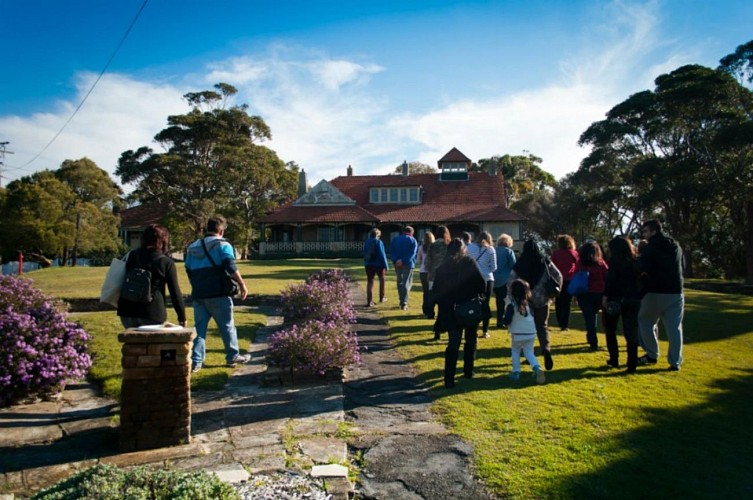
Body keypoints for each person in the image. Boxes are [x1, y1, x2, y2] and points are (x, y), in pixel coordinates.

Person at [185, 215, 249, 373]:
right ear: (221, 230)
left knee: (199, 330)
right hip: (218, 292)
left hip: (199, 294)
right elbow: (230, 266)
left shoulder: (192, 247)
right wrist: (242, 284)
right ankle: (232, 356)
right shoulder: (223, 245)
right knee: (227, 326)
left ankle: (196, 362)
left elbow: (188, 270)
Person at [432, 238, 487, 388]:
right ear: (464, 249)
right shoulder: (469, 262)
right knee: (471, 339)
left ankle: (449, 378)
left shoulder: (442, 267)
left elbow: (436, 291)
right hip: (469, 306)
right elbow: (482, 283)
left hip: (451, 309)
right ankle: (468, 371)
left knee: (453, 343)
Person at [117, 224, 187, 329]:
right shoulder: (166, 262)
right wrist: (182, 317)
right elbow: (175, 293)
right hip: (152, 312)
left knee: (133, 344)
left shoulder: (132, 255)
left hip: (127, 311)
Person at [637, 220, 685, 371]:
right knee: (674, 328)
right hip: (675, 291)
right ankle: (675, 361)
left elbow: (642, 268)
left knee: (645, 321)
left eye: (645, 231)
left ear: (653, 231)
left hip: (654, 290)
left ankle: (652, 354)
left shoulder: (650, 248)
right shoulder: (675, 245)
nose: (643, 234)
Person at [507, 239, 562, 371]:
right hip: (543, 299)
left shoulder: (521, 263)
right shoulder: (545, 261)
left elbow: (510, 280)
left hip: (526, 301)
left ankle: (528, 354)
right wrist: (552, 292)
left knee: (529, 328)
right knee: (542, 326)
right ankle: (546, 348)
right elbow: (558, 275)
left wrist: (514, 296)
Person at [603, 236, 641, 373]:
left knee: (610, 329)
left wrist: (606, 296)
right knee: (631, 331)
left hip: (616, 298)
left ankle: (614, 358)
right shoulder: (635, 261)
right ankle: (632, 364)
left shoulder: (613, 262)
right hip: (633, 298)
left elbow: (611, 281)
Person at [502, 279, 546, 384]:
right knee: (529, 352)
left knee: (515, 351)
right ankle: (537, 368)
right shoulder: (528, 303)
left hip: (518, 333)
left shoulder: (511, 304)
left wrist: (503, 321)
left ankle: (516, 372)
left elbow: (507, 320)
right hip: (531, 331)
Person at [575, 241, 609, 351]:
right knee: (605, 320)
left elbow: (576, 279)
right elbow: (607, 277)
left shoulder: (580, 264)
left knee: (589, 320)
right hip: (599, 293)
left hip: (584, 295)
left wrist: (575, 295)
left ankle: (592, 342)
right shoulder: (601, 264)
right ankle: (608, 342)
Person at [424, 225, 451, 335]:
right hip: (446, 277)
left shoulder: (432, 245)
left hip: (434, 276)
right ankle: (442, 325)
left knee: (434, 299)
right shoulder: (449, 245)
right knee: (444, 303)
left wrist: (430, 271)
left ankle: (433, 318)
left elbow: (427, 263)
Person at [551, 234, 579, 331]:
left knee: (558, 302)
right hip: (569, 280)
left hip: (558, 280)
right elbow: (578, 265)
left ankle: (560, 321)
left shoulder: (556, 254)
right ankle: (565, 324)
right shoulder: (573, 253)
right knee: (567, 302)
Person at [473, 231, 497, 338]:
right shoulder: (490, 250)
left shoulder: (471, 248)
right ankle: (485, 331)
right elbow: (494, 267)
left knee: (474, 303)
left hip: (474, 278)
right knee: (485, 304)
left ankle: (473, 329)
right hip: (487, 278)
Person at [389, 226, 419, 310]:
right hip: (408, 264)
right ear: (411, 232)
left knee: (399, 281)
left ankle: (401, 299)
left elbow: (391, 250)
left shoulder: (395, 239)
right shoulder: (413, 240)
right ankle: (404, 302)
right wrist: (404, 260)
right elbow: (413, 253)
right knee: (406, 282)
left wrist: (396, 260)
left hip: (397, 263)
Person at [492, 234, 516, 328]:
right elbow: (513, 265)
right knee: (507, 300)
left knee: (499, 300)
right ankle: (505, 319)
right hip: (505, 279)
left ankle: (499, 319)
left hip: (494, 279)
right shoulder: (508, 251)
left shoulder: (494, 250)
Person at [363, 228, 389, 307]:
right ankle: (382, 297)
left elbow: (364, 253)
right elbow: (382, 254)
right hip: (379, 265)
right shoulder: (379, 242)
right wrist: (386, 265)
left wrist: (366, 263)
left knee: (370, 282)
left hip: (369, 264)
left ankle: (369, 301)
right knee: (382, 280)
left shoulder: (366, 242)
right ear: (377, 235)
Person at [417, 231, 435, 317]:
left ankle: (425, 310)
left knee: (425, 292)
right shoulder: (435, 248)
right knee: (431, 292)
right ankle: (430, 311)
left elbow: (418, 260)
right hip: (432, 272)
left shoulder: (421, 247)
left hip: (423, 271)